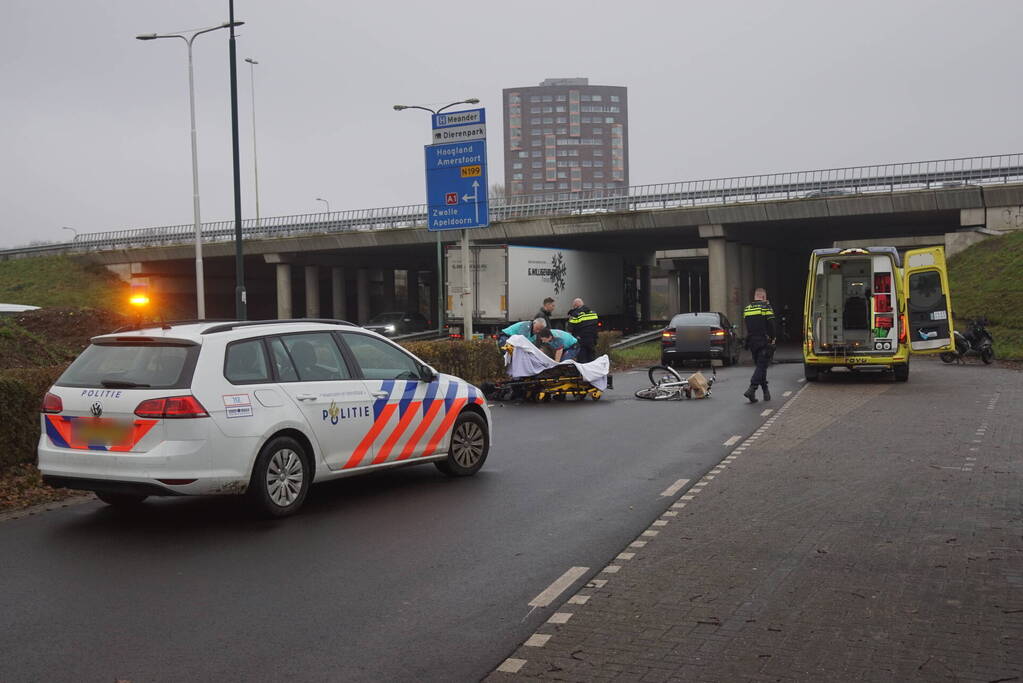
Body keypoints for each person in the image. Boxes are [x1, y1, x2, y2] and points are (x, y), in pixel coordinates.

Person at [742, 288, 776, 403]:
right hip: (764, 341)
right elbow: (771, 325)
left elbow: (748, 326)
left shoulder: (747, 309)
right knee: (761, 367)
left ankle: (765, 392)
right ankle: (752, 389)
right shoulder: (766, 307)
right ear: (763, 297)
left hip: (752, 342)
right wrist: (773, 338)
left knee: (761, 367)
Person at [566, 297, 600, 363]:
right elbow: (595, 326)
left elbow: (570, 328)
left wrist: (571, 316)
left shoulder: (576, 315)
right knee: (592, 359)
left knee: (582, 360)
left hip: (581, 340)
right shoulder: (593, 313)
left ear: (575, 306)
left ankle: (583, 373)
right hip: (592, 340)